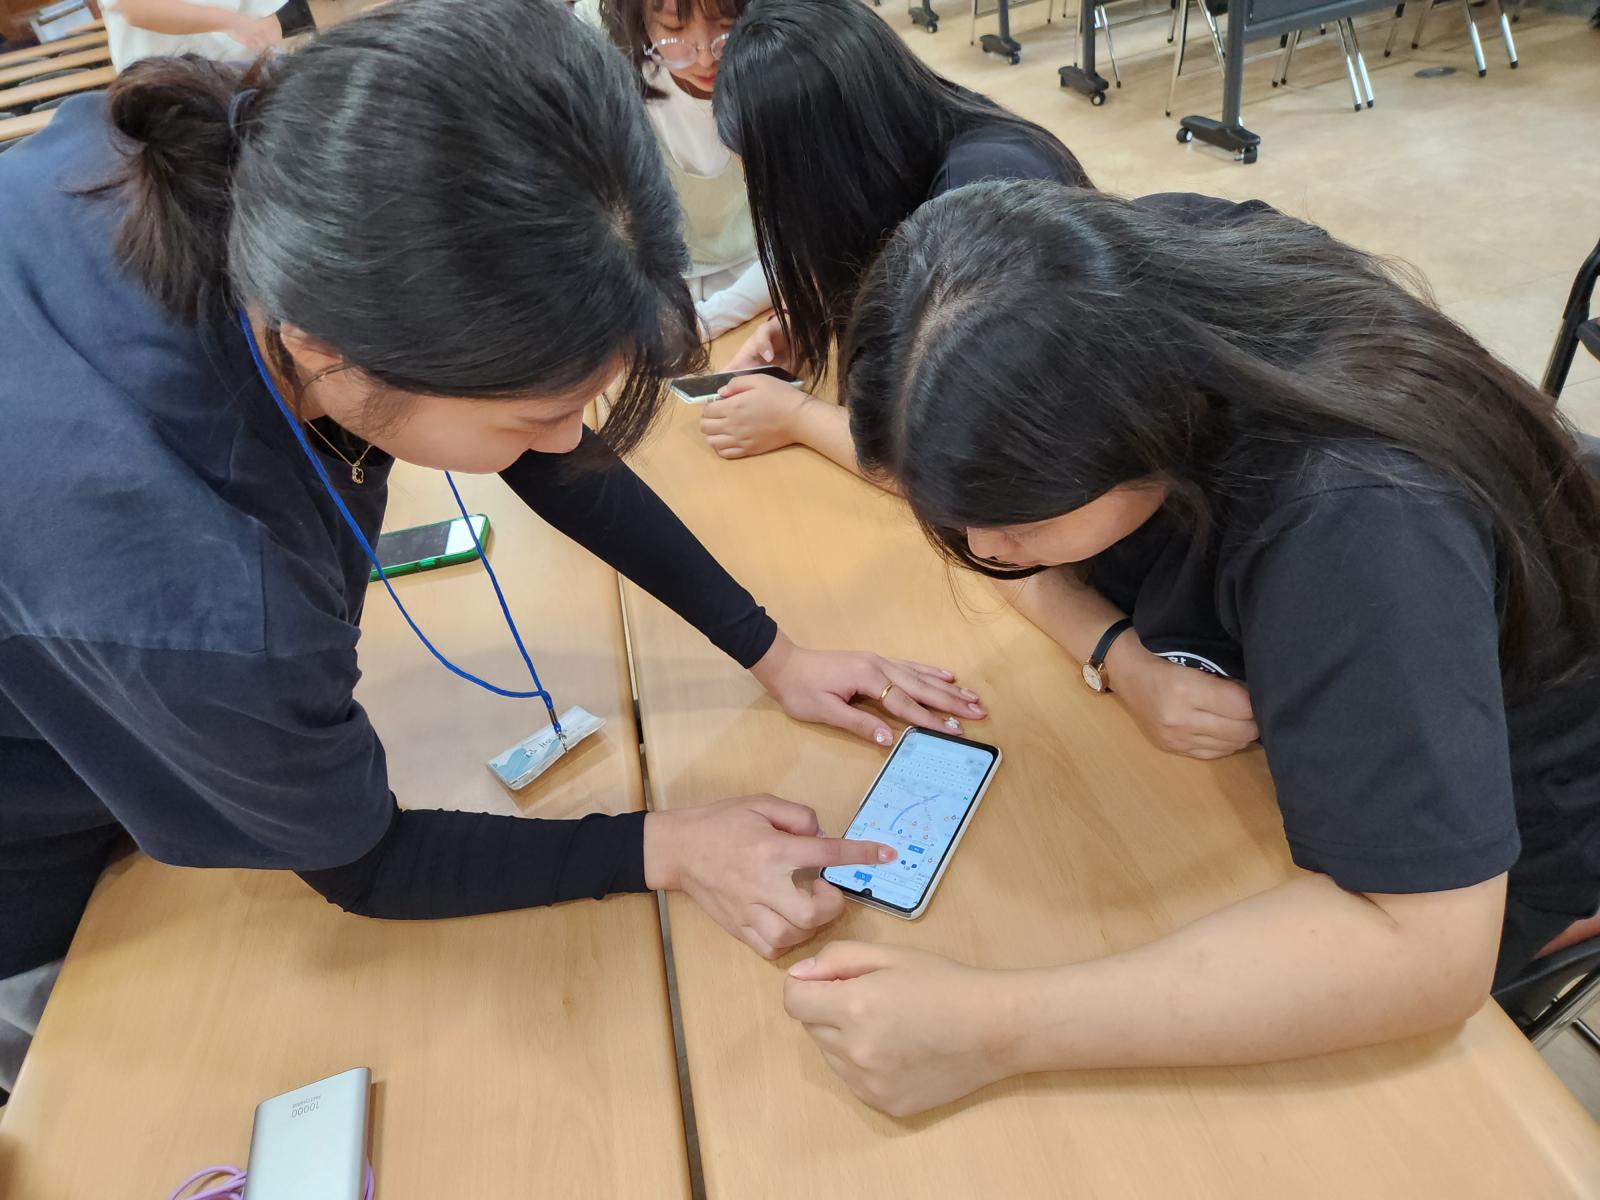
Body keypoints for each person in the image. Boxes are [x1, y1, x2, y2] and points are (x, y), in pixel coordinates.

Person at [0, 0, 987, 1100]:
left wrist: (772, 652)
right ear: (328, 348)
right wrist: (664, 846)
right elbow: (364, 862)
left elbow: (530, 434)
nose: (565, 442)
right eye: (536, 415)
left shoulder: (277, 166)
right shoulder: (205, 599)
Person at [782, 182, 1600, 1117]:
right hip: (1359, 720)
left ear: (1133, 428)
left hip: (1526, 811)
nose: (986, 552)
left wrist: (995, 1027)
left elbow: (1427, 951)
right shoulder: (1140, 274)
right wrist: (1110, 649)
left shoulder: (1358, 520)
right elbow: (1032, 556)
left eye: (1015, 522)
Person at [695, 0, 1090, 472]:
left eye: (773, 190)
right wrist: (814, 320)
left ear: (825, 165)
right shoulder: (911, 136)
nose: (773, 209)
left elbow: (966, 460)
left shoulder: (978, 208)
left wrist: (796, 417)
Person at [579, 0, 771, 341]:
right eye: (673, 29)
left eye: (727, 24)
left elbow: (809, 237)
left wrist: (706, 320)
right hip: (659, 292)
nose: (705, 58)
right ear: (638, 20)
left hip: (771, 275)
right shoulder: (608, 57)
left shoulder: (780, 72)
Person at [102, 0, 285, 71]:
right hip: (163, 78)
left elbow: (264, 12)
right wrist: (230, 22)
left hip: (240, 67)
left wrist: (273, 59)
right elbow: (135, 8)